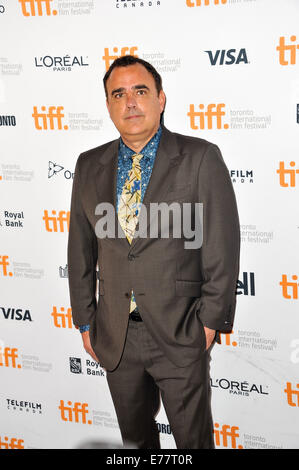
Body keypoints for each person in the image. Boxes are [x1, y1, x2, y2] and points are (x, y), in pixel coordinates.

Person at [67, 55, 240, 449]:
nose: (130, 102)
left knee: (193, 443)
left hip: (181, 332)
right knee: (135, 443)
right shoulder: (89, 164)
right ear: (108, 105)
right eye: (119, 94)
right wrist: (84, 322)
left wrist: (208, 323)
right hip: (115, 335)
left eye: (140, 91)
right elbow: (79, 250)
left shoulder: (199, 157)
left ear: (160, 99)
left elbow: (221, 246)